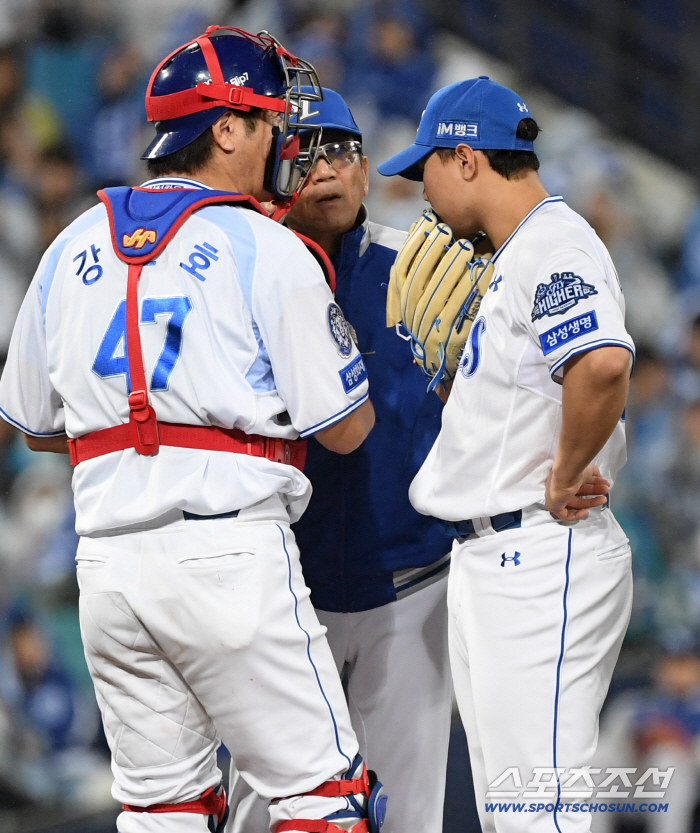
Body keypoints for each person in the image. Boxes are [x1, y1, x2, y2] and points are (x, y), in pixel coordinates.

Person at [0, 26, 382, 833]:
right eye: (270, 117)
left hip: (106, 563)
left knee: (162, 811)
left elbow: (33, 426)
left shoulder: (70, 244)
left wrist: (143, 433)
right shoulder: (264, 245)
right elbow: (347, 428)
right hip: (228, 553)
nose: (285, 135)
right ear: (227, 129)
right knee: (327, 804)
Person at [377, 76, 635, 833]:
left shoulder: (553, 243)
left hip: (540, 552)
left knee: (540, 816)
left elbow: (604, 363)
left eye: (424, 164)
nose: (418, 185)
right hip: (501, 558)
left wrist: (562, 472)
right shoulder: (517, 254)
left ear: (465, 159)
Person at [227, 89, 452, 833]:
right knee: (265, 812)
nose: (326, 167)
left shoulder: (423, 268)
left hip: (412, 583)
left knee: (409, 814)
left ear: (365, 169)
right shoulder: (243, 270)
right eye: (306, 149)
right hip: (288, 589)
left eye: (342, 150)